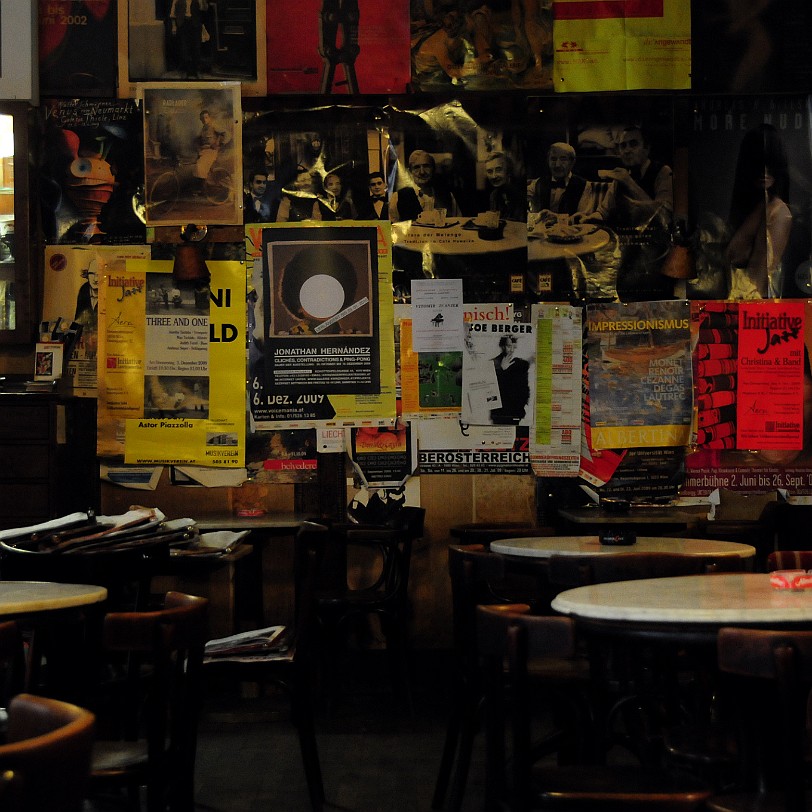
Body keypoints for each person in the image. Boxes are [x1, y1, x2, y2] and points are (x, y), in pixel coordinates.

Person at [725, 122, 792, 299]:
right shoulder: (757, 207)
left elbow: (757, 279)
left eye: (771, 163)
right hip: (741, 305)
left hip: (756, 311)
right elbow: (733, 256)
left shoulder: (778, 212)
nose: (765, 171)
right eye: (758, 163)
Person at [528, 142, 612, 225]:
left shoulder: (584, 186)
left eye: (563, 159)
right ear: (548, 161)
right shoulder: (537, 184)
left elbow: (581, 219)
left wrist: (557, 219)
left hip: (571, 234)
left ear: (572, 162)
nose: (557, 165)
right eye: (553, 159)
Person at [389, 149, 460, 222]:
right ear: (410, 171)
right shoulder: (398, 197)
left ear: (433, 169)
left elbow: (458, 223)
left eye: (426, 166)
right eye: (416, 167)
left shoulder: (447, 196)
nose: (422, 172)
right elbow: (392, 229)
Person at [489, 335, 530, 425]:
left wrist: (522, 405)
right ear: (502, 346)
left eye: (514, 347)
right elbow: (489, 389)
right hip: (499, 413)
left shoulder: (521, 364)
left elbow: (524, 388)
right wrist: (501, 369)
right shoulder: (494, 363)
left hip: (515, 412)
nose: (512, 350)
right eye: (509, 346)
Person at [170, 0, 208, 79]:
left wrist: (203, 2)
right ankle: (185, 71)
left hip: (195, 25)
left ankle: (197, 71)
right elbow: (173, 14)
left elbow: (204, 9)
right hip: (183, 25)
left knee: (196, 48)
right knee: (184, 48)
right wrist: (174, 26)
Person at [483, 151, 525, 221]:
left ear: (508, 171)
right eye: (490, 171)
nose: (494, 176)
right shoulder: (494, 195)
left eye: (498, 170)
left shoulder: (521, 193)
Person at [193, 109, 225, 195]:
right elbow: (200, 139)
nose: (204, 120)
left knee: (200, 166)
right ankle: (203, 188)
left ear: (209, 118)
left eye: (206, 118)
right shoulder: (203, 129)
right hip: (205, 151)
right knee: (196, 166)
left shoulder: (214, 126)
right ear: (200, 119)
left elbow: (224, 134)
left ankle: (203, 190)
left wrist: (218, 144)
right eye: (202, 118)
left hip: (211, 151)